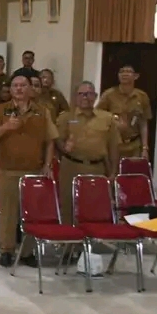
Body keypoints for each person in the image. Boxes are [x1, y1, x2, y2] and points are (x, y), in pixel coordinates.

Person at [0, 69, 57, 268]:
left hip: (33, 170)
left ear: (31, 89)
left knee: (32, 212)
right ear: (11, 89)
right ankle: (6, 250)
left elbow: (50, 140)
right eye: (15, 85)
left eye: (23, 85)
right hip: (7, 169)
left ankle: (27, 251)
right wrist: (6, 127)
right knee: (8, 213)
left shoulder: (42, 111)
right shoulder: (1, 109)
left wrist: (47, 164)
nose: (19, 89)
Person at [54, 82, 119, 223]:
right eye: (81, 94)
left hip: (97, 168)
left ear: (95, 96)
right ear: (76, 97)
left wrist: (113, 172)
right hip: (71, 167)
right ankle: (68, 239)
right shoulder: (66, 117)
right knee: (68, 206)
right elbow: (57, 140)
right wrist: (64, 147)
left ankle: (89, 240)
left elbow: (113, 147)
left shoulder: (107, 118)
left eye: (89, 94)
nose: (85, 97)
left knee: (93, 207)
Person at [97, 64, 153, 160]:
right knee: (113, 173)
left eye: (128, 71)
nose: (124, 74)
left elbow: (143, 123)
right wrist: (114, 119)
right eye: (121, 72)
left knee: (133, 173)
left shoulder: (142, 96)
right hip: (114, 144)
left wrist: (145, 148)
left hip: (134, 145)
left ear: (136, 76)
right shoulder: (109, 95)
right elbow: (98, 116)